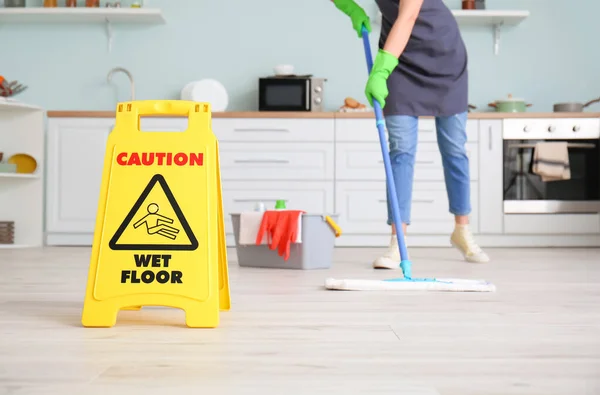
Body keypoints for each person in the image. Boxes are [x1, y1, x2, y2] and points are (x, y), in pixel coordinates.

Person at [331, 0, 490, 267]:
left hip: (442, 56)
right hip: (399, 60)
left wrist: (380, 69)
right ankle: (398, 242)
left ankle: (462, 230)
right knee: (401, 150)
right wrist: (349, 6)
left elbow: (408, 16)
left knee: (453, 149)